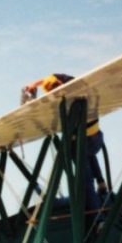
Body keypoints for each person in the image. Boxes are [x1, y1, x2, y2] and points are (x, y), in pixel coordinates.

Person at [22, 73, 107, 209]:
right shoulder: (81, 89)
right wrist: (33, 85)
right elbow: (50, 79)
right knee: (86, 151)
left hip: (82, 144)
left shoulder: (61, 104)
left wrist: (29, 99)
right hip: (96, 139)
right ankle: (101, 182)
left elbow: (38, 113)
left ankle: (98, 218)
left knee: (85, 179)